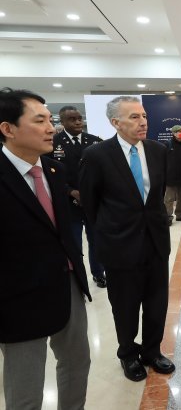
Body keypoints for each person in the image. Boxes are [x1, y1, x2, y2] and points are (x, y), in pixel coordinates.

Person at [0, 88, 91, 409]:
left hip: (67, 283)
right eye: (39, 121)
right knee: (25, 386)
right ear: (7, 129)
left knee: (77, 363)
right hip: (17, 297)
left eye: (49, 120)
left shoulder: (54, 170)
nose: (51, 128)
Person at [79, 96, 175, 382]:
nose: (143, 121)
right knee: (125, 305)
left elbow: (156, 198)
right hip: (119, 245)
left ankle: (152, 351)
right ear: (115, 123)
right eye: (134, 117)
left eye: (143, 115)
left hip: (155, 241)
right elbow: (90, 204)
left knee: (157, 302)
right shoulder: (97, 155)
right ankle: (128, 354)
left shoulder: (158, 150)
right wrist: (110, 234)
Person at [48, 106, 106, 288]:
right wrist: (70, 191)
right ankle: (77, 276)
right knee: (74, 242)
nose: (78, 122)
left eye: (79, 118)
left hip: (93, 202)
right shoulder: (52, 143)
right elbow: (49, 174)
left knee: (96, 240)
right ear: (62, 122)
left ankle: (98, 273)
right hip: (67, 203)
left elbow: (103, 172)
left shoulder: (95, 142)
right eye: (72, 119)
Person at [163, 124, 181, 225]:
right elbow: (162, 160)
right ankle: (168, 217)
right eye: (180, 131)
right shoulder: (167, 144)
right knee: (169, 199)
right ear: (174, 133)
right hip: (170, 177)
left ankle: (180, 215)